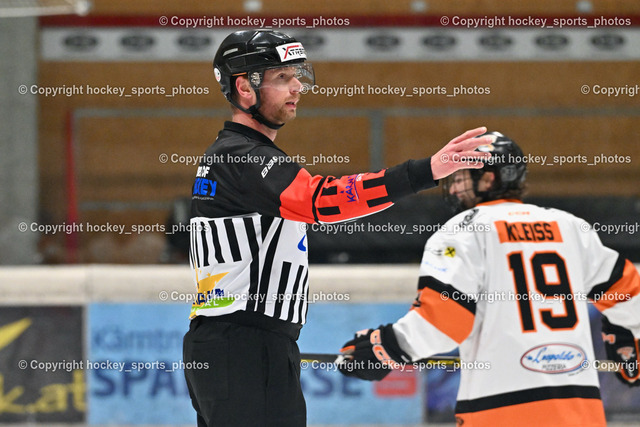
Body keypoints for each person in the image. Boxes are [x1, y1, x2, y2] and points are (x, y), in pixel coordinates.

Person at [181, 28, 494, 427]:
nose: (297, 86)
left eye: (296, 75)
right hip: (245, 346)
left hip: (234, 344)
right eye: (282, 77)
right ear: (244, 87)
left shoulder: (230, 154)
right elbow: (322, 200)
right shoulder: (242, 157)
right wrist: (425, 172)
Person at [337, 132, 640, 427]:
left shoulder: (462, 231)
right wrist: (626, 335)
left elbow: (443, 324)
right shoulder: (569, 226)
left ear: (488, 179)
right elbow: (630, 294)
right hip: (580, 411)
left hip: (500, 410)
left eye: (461, 178)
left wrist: (384, 347)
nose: (454, 188)